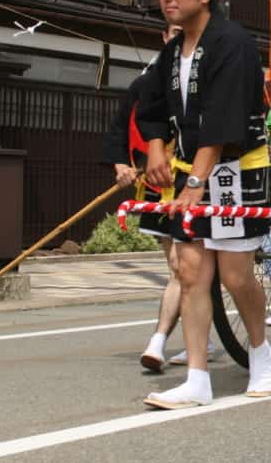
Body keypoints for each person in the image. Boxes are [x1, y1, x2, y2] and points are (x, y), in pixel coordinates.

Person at [138, 0, 271, 408]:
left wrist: (197, 181)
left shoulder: (231, 42)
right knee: (190, 272)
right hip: (189, 169)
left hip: (236, 169)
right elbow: (151, 105)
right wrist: (156, 150)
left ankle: (260, 354)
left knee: (235, 275)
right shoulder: (170, 53)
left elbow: (223, 118)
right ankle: (197, 378)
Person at [103, 22, 213, 371]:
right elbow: (122, 126)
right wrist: (122, 163)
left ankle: (160, 339)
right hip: (159, 179)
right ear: (164, 37)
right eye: (173, 31)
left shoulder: (209, 75)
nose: (178, 37)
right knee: (178, 266)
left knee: (184, 266)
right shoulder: (148, 81)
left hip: (198, 178)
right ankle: (197, 338)